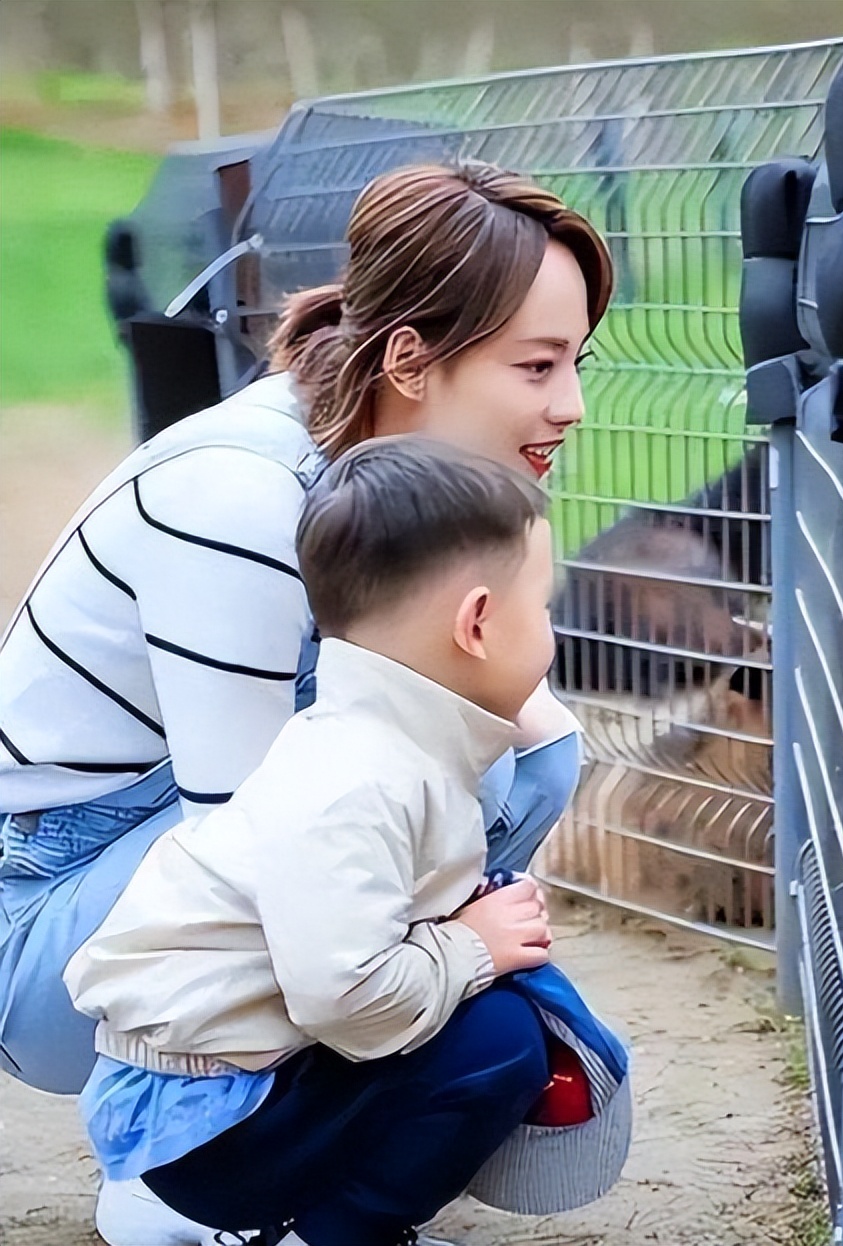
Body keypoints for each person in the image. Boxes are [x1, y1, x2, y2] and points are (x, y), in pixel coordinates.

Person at [0, 160, 612, 1245]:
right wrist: (459, 953)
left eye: (573, 362)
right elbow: (247, 837)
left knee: (529, 753)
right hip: (50, 927)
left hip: (190, 879)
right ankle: (176, 1159)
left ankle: (321, 1120)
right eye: (535, 365)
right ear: (412, 359)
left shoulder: (400, 492)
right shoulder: (242, 497)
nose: (566, 405)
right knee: (457, 765)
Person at [64, 439, 630, 1246]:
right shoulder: (356, 781)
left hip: (246, 1077)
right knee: (498, 1041)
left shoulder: (395, 746)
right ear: (476, 623)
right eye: (541, 604)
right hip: (205, 1126)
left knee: (495, 1016)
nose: (550, 627)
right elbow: (348, 1001)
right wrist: (471, 949)